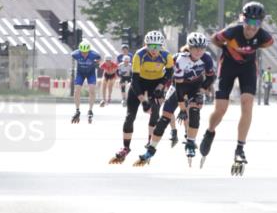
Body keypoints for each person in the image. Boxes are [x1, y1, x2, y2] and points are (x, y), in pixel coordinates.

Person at [199, 1, 274, 169]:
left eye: (256, 23)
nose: (252, 27)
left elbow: (267, 44)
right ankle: (210, 131)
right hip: (228, 67)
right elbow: (214, 39)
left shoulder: (264, 37)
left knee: (247, 104)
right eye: (249, 22)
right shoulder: (232, 31)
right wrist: (227, 49)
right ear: (243, 19)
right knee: (221, 109)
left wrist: (247, 51)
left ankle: (240, 147)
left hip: (247, 68)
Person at [135, 32, 216, 165]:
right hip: (178, 87)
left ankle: (190, 143)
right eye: (196, 48)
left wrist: (201, 90)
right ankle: (151, 149)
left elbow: (211, 77)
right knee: (164, 118)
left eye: (202, 48)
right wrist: (182, 108)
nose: (199, 51)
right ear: (189, 47)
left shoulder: (206, 58)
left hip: (195, 87)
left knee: (195, 112)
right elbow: (179, 89)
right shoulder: (180, 59)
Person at [108, 30, 173, 164]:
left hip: (156, 83)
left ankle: (150, 144)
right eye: (151, 46)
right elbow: (135, 81)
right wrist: (143, 100)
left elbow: (169, 73)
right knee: (130, 116)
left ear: (162, 46)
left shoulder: (167, 56)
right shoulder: (139, 55)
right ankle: (126, 148)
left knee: (155, 113)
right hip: (140, 83)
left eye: (157, 47)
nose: (154, 50)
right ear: (145, 45)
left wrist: (161, 87)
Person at [71, 40, 101, 123]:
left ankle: (90, 110)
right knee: (77, 91)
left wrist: (97, 63)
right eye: (82, 52)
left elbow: (99, 58)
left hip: (91, 73)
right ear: (79, 51)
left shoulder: (94, 54)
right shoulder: (75, 54)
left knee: (92, 90)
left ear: (89, 51)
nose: (84, 54)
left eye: (86, 52)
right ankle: (77, 110)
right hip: (80, 73)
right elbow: (72, 56)